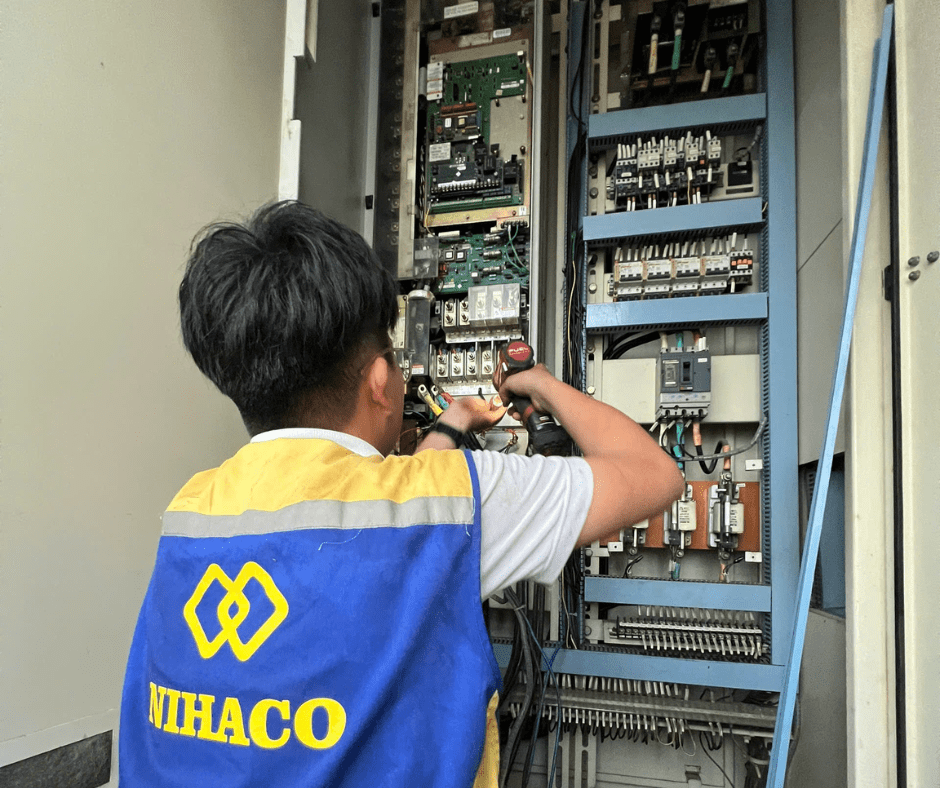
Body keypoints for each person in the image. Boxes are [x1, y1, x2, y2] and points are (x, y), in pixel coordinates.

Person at [119, 201, 683, 787]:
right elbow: (653, 474)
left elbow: (390, 507)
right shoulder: (451, 503)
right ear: (379, 380)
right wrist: (541, 384)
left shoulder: (191, 511)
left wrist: (454, 422)